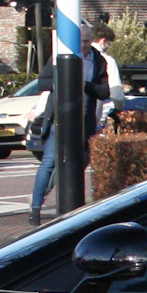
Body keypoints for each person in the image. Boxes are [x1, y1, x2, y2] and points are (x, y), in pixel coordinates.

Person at [28, 39, 110, 223]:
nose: (84, 45)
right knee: (49, 162)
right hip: (60, 119)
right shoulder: (59, 57)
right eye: (81, 41)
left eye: (87, 41)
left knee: (80, 160)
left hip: (84, 121)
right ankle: (35, 207)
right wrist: (65, 79)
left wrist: (85, 85)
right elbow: (43, 82)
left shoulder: (98, 60)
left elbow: (104, 92)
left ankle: (65, 201)